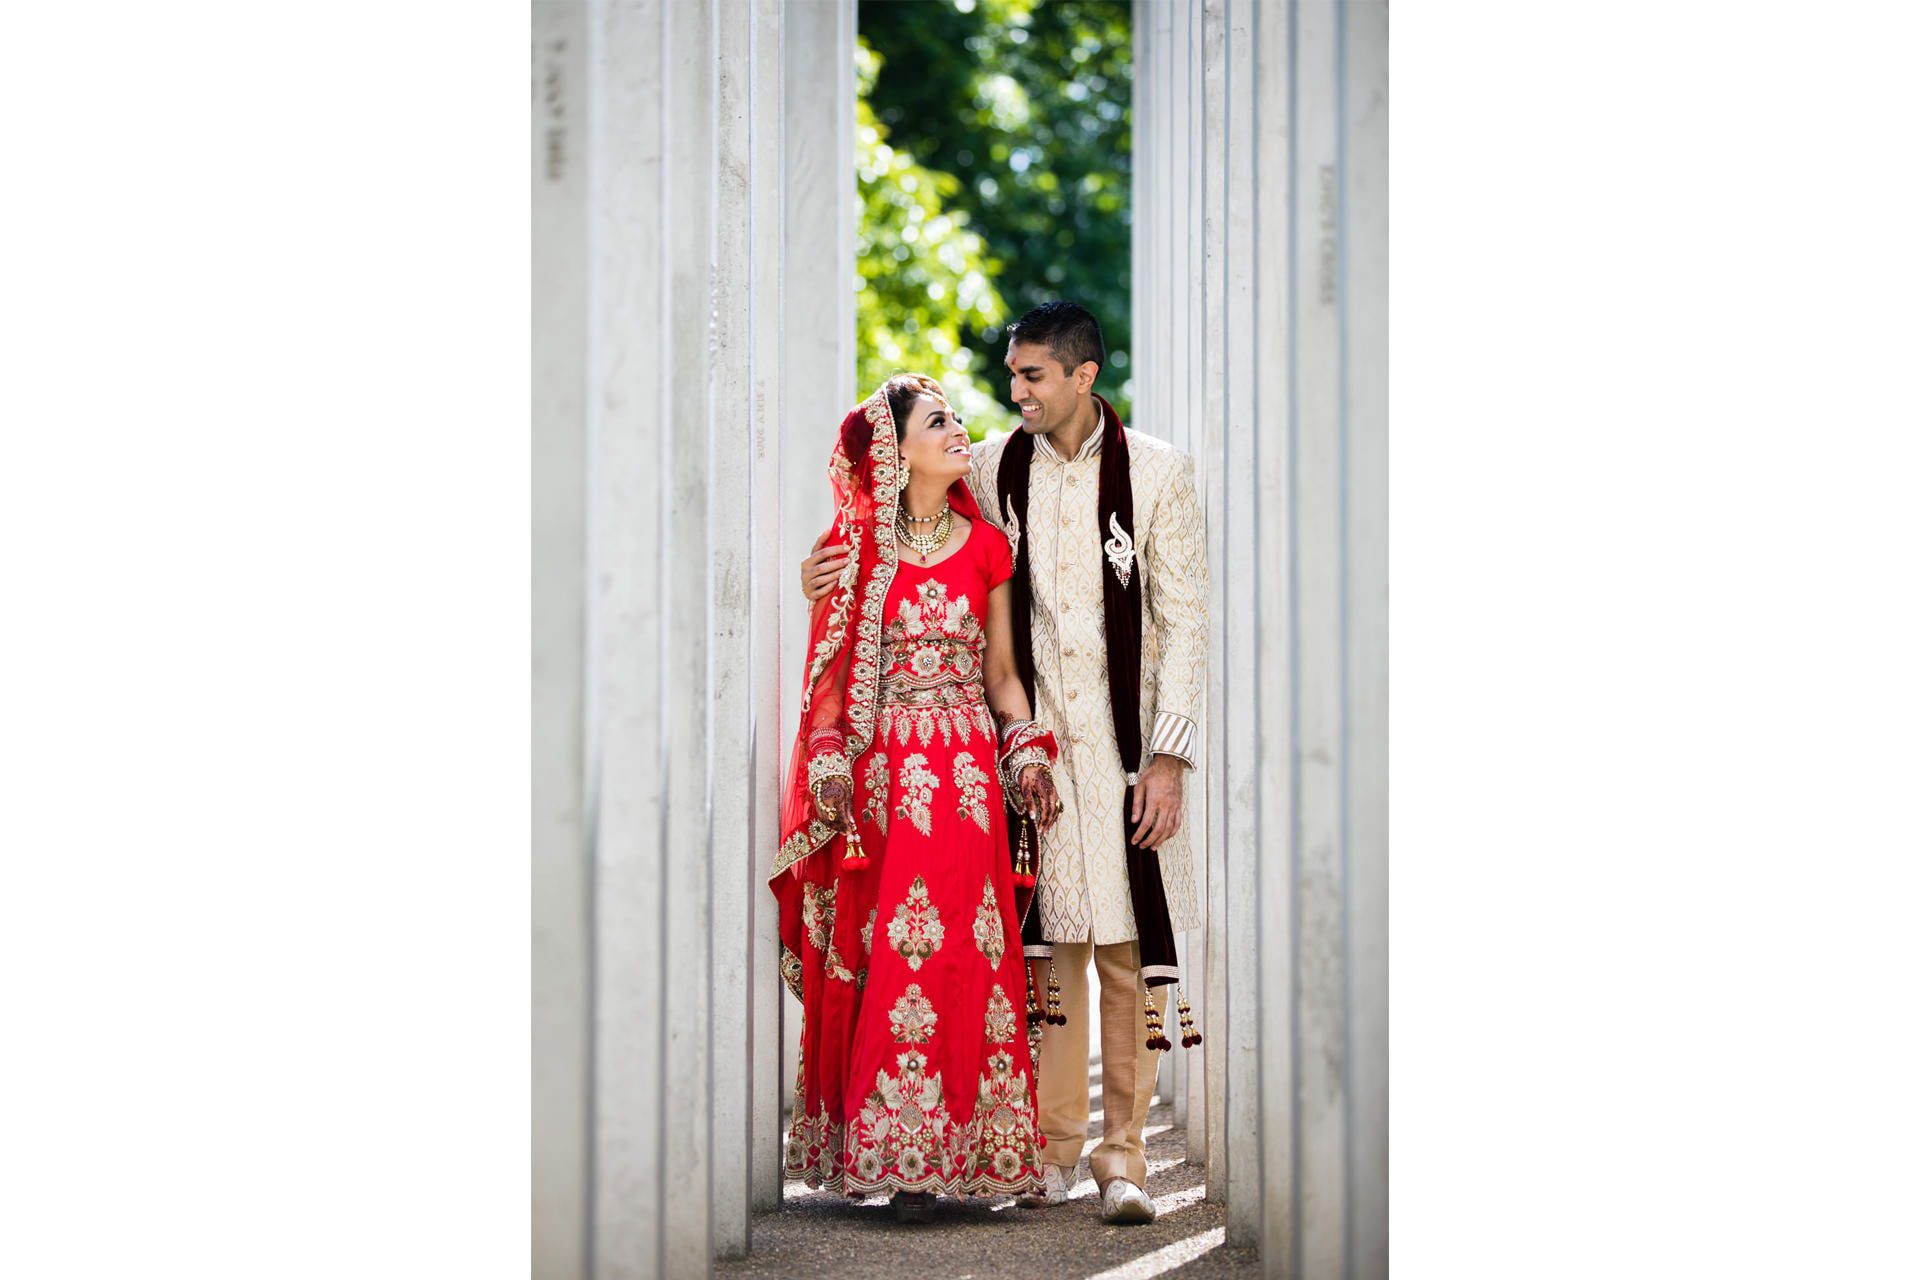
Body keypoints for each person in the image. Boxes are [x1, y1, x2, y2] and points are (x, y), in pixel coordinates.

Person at [802, 303, 1209, 1225]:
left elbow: (1187, 619)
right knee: (1048, 946)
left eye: (1029, 377)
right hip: (1020, 751)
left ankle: (1124, 1154)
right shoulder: (991, 467)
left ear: (1082, 376)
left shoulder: (1157, 474)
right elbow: (890, 526)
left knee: (1124, 947)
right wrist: (814, 572)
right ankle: (1052, 1148)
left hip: (1123, 744)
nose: (1010, 394)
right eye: (1011, 375)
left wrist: (1171, 756)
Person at [771, 373, 1067, 1224]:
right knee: (893, 953)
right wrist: (828, 758)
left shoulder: (987, 547)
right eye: (939, 421)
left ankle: (977, 1154)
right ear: (898, 448)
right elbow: (828, 678)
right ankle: (899, 1156)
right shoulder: (854, 550)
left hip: (967, 778)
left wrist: (1026, 756)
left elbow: (1003, 676)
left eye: (956, 417)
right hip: (885, 779)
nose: (959, 429)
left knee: (967, 954)